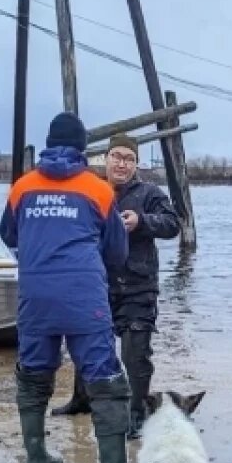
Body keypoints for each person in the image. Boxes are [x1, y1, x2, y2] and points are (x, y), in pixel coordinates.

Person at [0, 112, 136, 463]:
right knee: (104, 375)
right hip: (84, 296)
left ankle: (36, 456)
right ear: (81, 147)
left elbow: (7, 234)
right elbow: (116, 251)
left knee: (33, 373)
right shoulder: (98, 190)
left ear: (48, 141)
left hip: (35, 296)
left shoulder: (22, 188)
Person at [50, 134, 181, 439]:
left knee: (135, 355)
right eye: (117, 156)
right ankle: (81, 400)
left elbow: (173, 223)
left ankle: (136, 415)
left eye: (129, 158)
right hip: (96, 284)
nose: (122, 163)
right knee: (86, 347)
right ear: (106, 159)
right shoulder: (90, 190)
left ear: (136, 164)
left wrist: (142, 221)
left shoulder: (149, 193)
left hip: (139, 286)